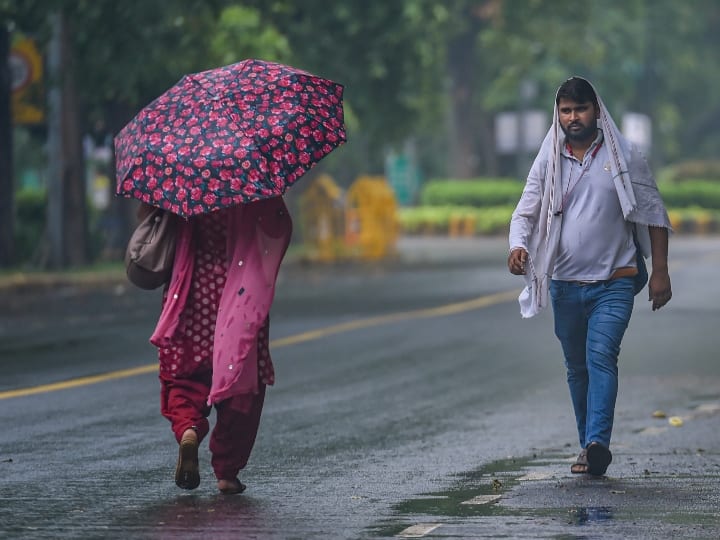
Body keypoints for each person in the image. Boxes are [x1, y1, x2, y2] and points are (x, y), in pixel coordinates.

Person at [507, 77, 672, 476]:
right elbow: (526, 210)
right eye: (565, 110)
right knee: (576, 367)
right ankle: (588, 446)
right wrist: (518, 246)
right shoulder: (548, 158)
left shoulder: (624, 155)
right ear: (558, 114)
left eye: (580, 109)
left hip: (615, 280)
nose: (573, 117)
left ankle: (598, 441)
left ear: (596, 110)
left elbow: (653, 214)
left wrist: (661, 273)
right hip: (564, 283)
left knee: (601, 356)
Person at [143, 196, 292, 494]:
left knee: (184, 376)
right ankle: (227, 471)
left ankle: (188, 428)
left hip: (190, 295)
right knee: (241, 382)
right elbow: (279, 226)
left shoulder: (183, 181)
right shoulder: (252, 186)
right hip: (239, 296)